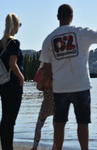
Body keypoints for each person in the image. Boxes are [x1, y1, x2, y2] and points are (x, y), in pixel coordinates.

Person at [39, 4, 97, 150]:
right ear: (72, 17)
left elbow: (47, 68)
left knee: (59, 124)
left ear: (57, 17)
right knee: (82, 124)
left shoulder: (48, 39)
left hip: (60, 88)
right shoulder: (81, 32)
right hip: (80, 86)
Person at [0, 13, 24, 150]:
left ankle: (5, 147)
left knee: (5, 118)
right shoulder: (14, 42)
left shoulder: (1, 43)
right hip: (13, 85)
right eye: (19, 25)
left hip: (2, 84)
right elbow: (12, 63)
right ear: (15, 26)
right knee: (11, 120)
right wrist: (21, 78)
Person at [31, 63, 56, 150]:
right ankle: (54, 146)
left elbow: (38, 87)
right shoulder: (57, 69)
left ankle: (35, 146)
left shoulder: (41, 71)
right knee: (56, 126)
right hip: (56, 102)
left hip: (46, 103)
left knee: (39, 125)